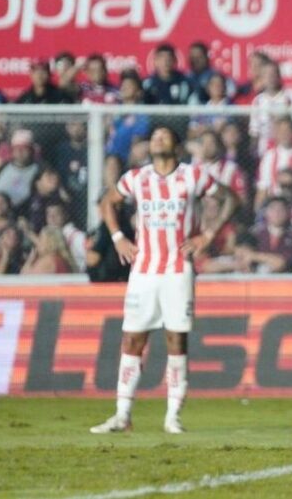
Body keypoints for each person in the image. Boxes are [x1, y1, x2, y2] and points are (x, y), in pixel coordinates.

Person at [91, 126, 236, 435]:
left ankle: (172, 415)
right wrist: (118, 237)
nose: (157, 139)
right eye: (153, 136)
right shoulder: (136, 178)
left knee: (176, 340)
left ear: (176, 145)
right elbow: (108, 202)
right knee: (132, 339)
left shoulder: (192, 175)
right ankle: (122, 414)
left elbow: (230, 198)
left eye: (164, 136)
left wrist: (208, 235)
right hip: (143, 270)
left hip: (177, 269)